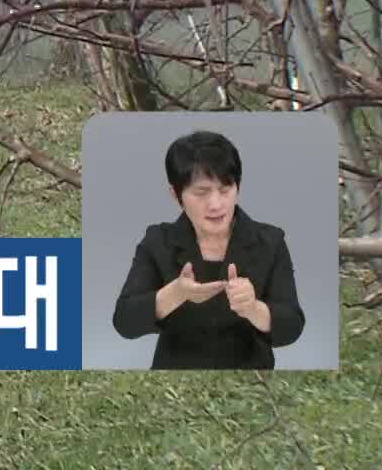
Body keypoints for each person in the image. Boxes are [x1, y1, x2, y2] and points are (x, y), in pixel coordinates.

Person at [111, 129, 305, 369]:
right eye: (201, 193)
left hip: (250, 378)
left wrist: (254, 309)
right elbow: (124, 321)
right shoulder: (158, 242)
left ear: (238, 187)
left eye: (225, 190)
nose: (216, 204)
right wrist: (176, 293)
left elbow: (292, 326)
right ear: (176, 194)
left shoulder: (270, 242)